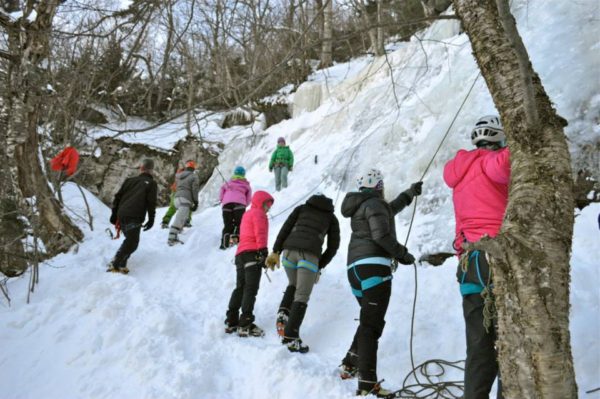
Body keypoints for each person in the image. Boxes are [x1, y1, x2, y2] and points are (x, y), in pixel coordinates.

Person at [443, 115, 510, 399]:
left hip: (468, 263)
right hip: (496, 258)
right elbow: (506, 162)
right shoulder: (489, 163)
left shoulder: (460, 172)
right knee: (510, 339)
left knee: (479, 345)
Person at [339, 169, 421, 397]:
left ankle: (350, 363)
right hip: (374, 267)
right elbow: (381, 236)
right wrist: (402, 254)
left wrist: (409, 194)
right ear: (378, 187)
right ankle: (367, 383)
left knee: (368, 319)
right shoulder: (375, 205)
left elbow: (389, 210)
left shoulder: (363, 205)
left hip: (354, 268)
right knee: (371, 325)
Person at [265, 193, 340, 353]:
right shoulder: (331, 218)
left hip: (289, 253)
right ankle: (291, 337)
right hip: (309, 256)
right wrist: (319, 265)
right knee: (302, 296)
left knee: (293, 284)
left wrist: (276, 251)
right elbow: (333, 247)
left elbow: (285, 229)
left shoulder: (301, 209)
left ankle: (284, 313)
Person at [225, 190, 274, 337]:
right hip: (253, 253)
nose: (268, 208)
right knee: (250, 289)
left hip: (240, 255)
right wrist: (263, 252)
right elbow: (260, 233)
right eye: (267, 204)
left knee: (240, 287)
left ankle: (231, 320)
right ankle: (245, 323)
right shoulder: (259, 214)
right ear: (260, 202)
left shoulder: (247, 214)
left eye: (269, 206)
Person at [108, 158, 158, 274]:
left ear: (141, 168)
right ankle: (115, 262)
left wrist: (114, 214)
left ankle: (121, 264)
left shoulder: (129, 181)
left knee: (130, 240)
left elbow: (117, 197)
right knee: (132, 241)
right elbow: (151, 203)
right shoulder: (151, 184)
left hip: (122, 214)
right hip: (134, 215)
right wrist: (151, 220)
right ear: (151, 171)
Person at [219, 166, 252, 249]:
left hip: (226, 205)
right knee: (239, 223)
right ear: (244, 175)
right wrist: (245, 204)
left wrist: (223, 200)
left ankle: (224, 244)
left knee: (227, 224)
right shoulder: (246, 185)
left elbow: (221, 191)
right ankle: (236, 241)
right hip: (239, 205)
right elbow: (249, 198)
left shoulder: (228, 183)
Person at [167, 160, 200, 246]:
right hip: (185, 198)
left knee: (183, 216)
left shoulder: (179, 176)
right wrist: (196, 201)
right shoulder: (194, 176)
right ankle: (171, 238)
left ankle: (177, 233)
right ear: (193, 168)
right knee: (180, 218)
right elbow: (195, 189)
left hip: (176, 198)